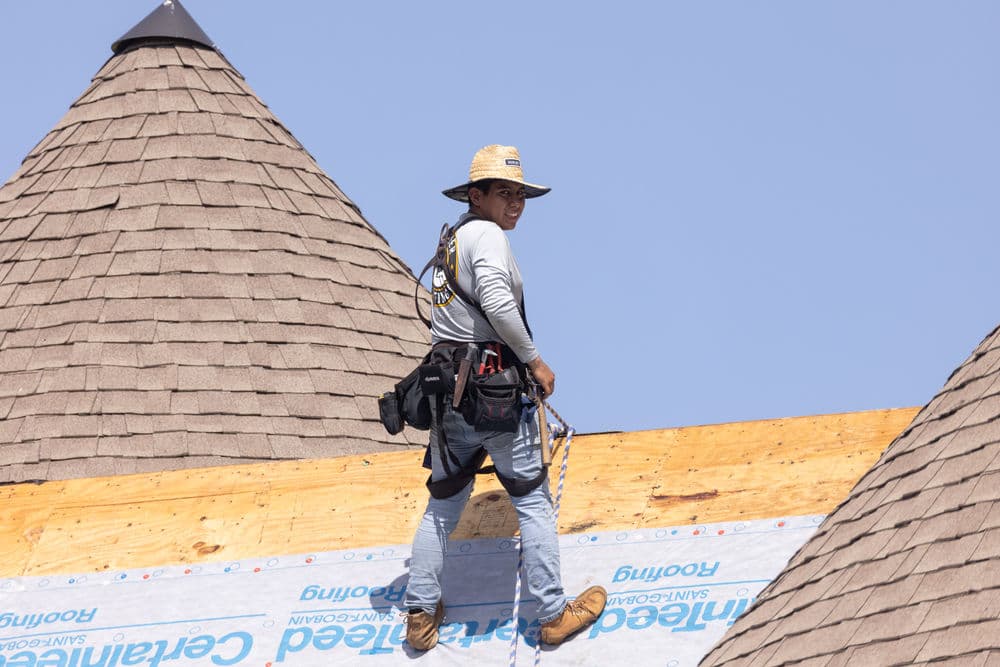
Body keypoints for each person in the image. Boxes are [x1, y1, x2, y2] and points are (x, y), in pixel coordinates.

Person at [404, 145, 607, 651]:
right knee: (533, 501)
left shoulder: (450, 240)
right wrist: (534, 360)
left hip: (450, 396)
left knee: (443, 506)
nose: (515, 202)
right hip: (493, 391)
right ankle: (554, 612)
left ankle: (420, 615)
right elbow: (495, 300)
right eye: (504, 192)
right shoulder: (487, 237)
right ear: (477, 196)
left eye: (520, 194)